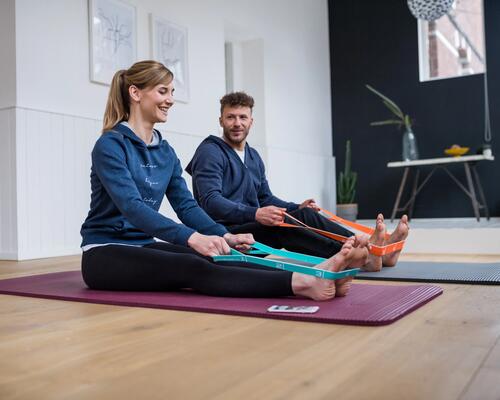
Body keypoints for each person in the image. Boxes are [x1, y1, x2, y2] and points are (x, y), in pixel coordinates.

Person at [80, 61, 365, 301]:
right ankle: (304, 285)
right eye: (162, 91)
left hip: (142, 245)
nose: (170, 99)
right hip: (104, 253)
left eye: (171, 92)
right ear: (135, 93)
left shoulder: (165, 151)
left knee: (219, 256)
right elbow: (132, 207)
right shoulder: (110, 145)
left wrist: (223, 236)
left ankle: (314, 274)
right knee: (193, 263)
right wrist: (194, 238)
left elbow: (187, 206)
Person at [186, 91, 409, 271]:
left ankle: (375, 250)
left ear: (251, 121)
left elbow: (265, 197)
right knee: (283, 226)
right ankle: (360, 255)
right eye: (230, 117)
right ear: (221, 120)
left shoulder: (252, 156)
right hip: (226, 235)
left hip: (251, 229)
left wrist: (295, 207)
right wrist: (255, 214)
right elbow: (210, 201)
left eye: (242, 117)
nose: (237, 123)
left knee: (304, 214)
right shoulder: (210, 152)